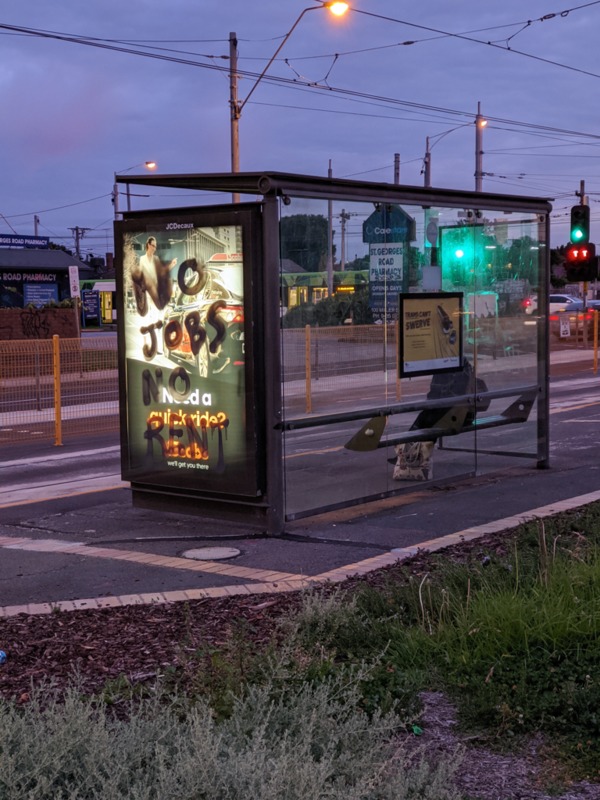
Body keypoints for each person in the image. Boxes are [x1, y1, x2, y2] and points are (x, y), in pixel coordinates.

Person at [131, 236, 177, 316]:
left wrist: (171, 265)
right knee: (147, 315)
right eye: (153, 245)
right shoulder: (142, 259)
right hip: (147, 292)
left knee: (157, 314)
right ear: (148, 245)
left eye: (155, 246)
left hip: (156, 291)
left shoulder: (156, 259)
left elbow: (161, 273)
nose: (154, 248)